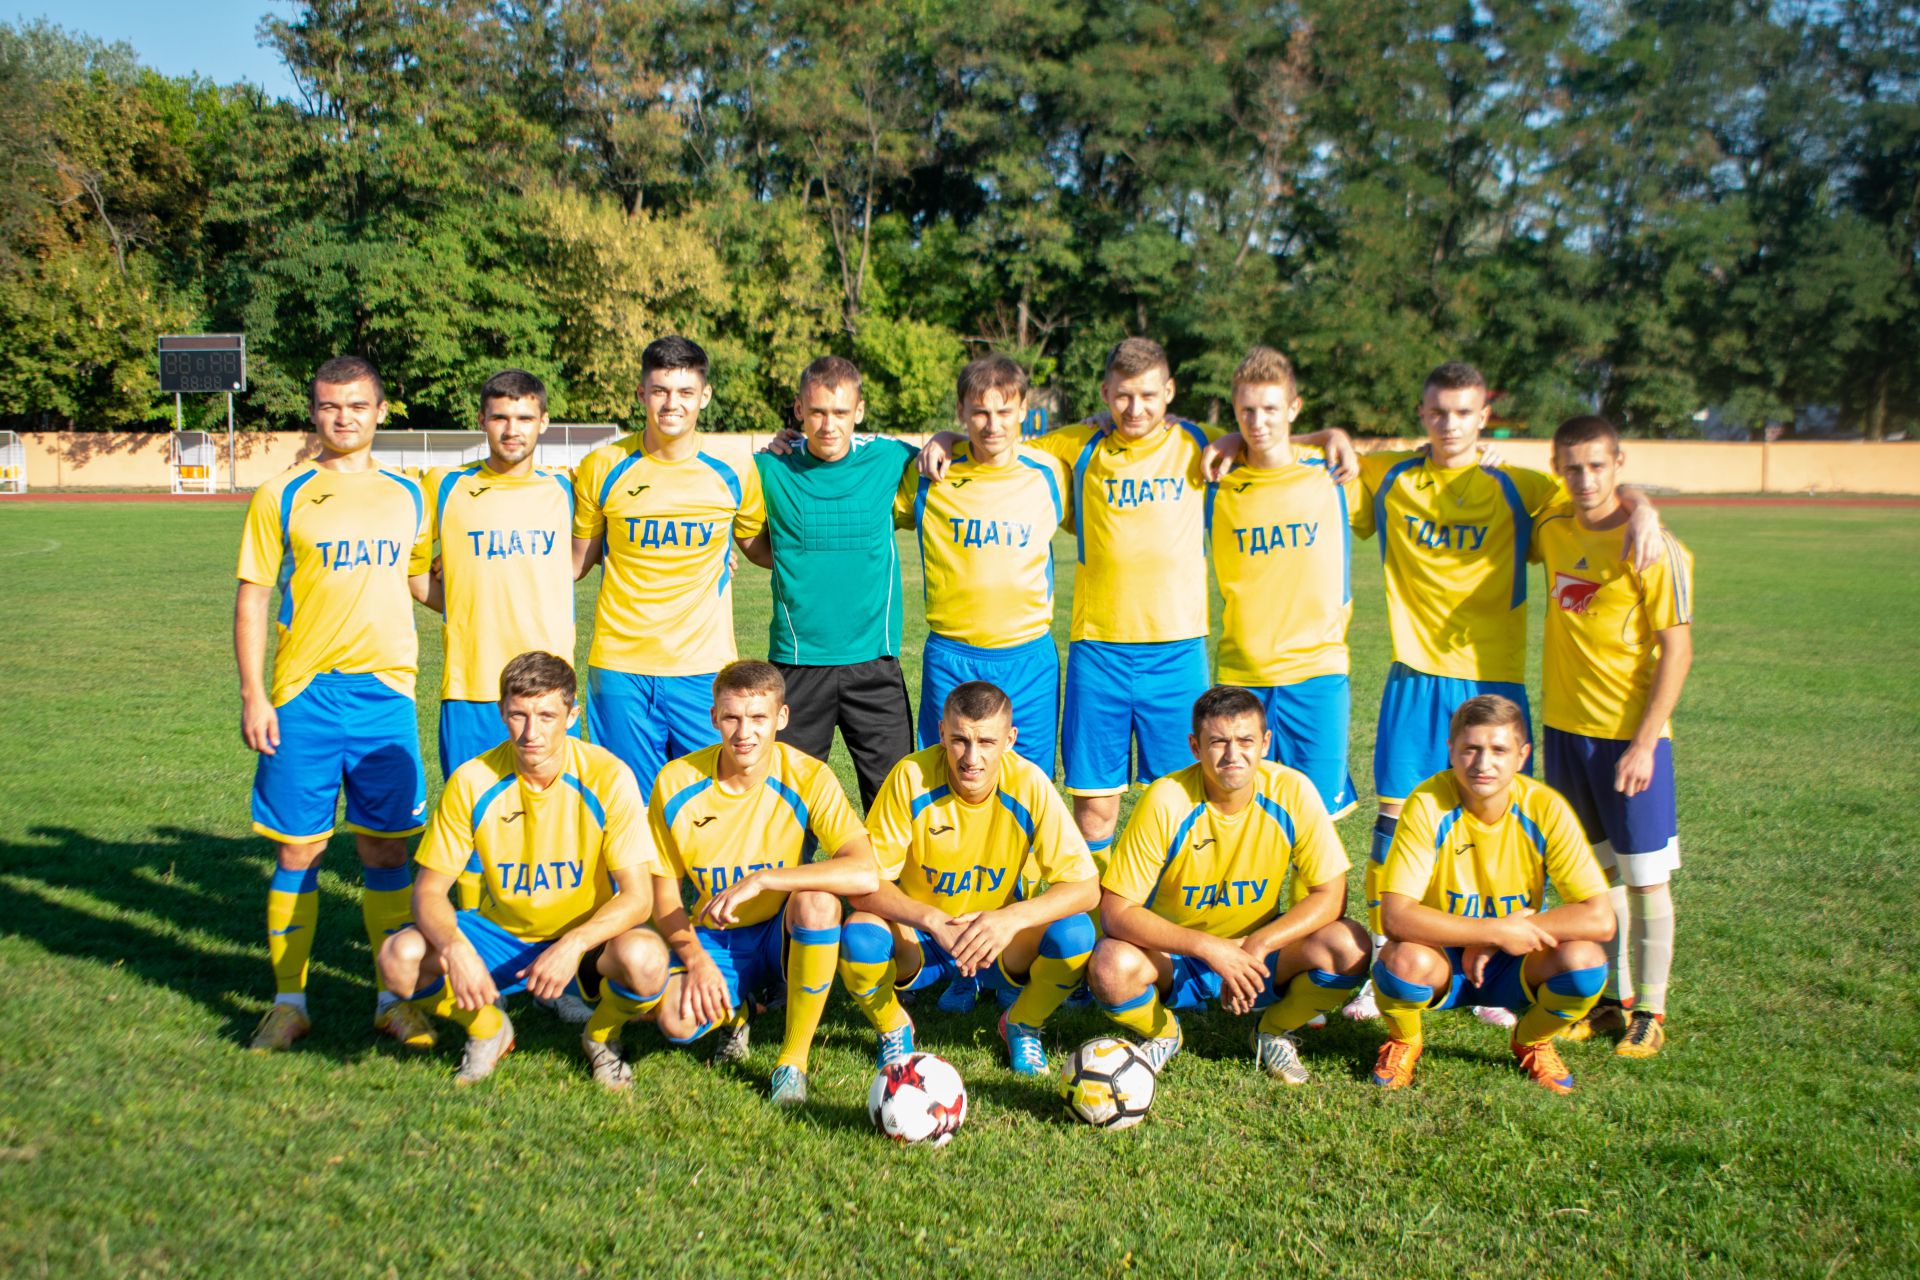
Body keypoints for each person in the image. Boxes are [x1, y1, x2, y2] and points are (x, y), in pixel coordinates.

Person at [921, 339, 1356, 861]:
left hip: (1177, 654)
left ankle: (1175, 907)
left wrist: (1328, 435)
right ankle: (1095, 908)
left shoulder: (1199, 442)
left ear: (1169, 391)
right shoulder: (1076, 446)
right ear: (1105, 393)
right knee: (1093, 806)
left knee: (1188, 801)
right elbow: (999, 436)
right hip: (1098, 652)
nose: (1135, 408)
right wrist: (945, 437)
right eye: (1123, 396)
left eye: (1148, 395)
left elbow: (1267, 434)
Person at [1340, 361, 1662, 1027]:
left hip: (1494, 678)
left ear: (1483, 416)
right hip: (1415, 674)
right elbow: (1309, 455)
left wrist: (1642, 506)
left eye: (1463, 412)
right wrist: (1327, 434)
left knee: (1504, 824)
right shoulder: (1389, 476)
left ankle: (1502, 965)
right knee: (1393, 822)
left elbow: (1593, 490)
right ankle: (1384, 960)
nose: (1449, 424)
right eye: (1437, 411)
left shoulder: (1520, 486)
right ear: (1422, 414)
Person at [235, 355, 436, 1053]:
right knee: (301, 848)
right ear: (314, 412)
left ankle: (394, 1001)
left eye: (356, 405)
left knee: (386, 846)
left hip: (385, 694)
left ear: (381, 411)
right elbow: (253, 596)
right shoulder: (281, 494)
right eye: (329, 405)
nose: (342, 417)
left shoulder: (412, 495)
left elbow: (421, 582)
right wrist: (254, 693)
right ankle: (288, 1003)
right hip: (303, 695)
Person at [375, 652, 671, 1088]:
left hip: (586, 939)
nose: (531, 732)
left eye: (547, 716)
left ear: (572, 716)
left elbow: (638, 897)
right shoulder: (473, 780)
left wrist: (573, 944)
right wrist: (455, 949)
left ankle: (600, 1038)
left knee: (646, 960)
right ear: (502, 712)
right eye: (519, 715)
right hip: (503, 936)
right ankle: (488, 1028)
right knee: (398, 958)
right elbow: (428, 892)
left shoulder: (608, 775)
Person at [1087, 686, 1372, 1084]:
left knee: (1349, 945)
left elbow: (1332, 895)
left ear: (1266, 743)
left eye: (1245, 741)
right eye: (1218, 742)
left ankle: (1273, 1030)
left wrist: (1259, 943)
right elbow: (1116, 912)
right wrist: (1209, 947)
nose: (1233, 755)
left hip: (1259, 955)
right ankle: (1163, 1033)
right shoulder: (1167, 799)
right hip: (1178, 955)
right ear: (1195, 746)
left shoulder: (1292, 791)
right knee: (1109, 966)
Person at [647, 660, 879, 1106]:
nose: (744, 733)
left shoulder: (807, 775)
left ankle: (792, 1061)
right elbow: (663, 899)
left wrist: (764, 880)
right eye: (731, 717)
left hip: (781, 931)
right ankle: (737, 1012)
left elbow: (864, 870)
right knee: (675, 1021)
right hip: (719, 935)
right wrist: (695, 960)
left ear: (782, 717)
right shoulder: (675, 783)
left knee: (818, 902)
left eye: (758, 717)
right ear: (714, 717)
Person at [840, 681, 1099, 1077]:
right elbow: (863, 885)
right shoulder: (911, 776)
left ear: (1010, 739)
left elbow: (1086, 888)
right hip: (923, 935)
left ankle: (1022, 1023)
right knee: (860, 935)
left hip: (997, 938)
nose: (971, 758)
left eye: (986, 742)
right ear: (941, 732)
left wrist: (1009, 919)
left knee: (1076, 933)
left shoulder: (1029, 784)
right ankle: (893, 1027)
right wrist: (931, 919)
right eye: (959, 740)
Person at [1536, 415, 1694, 1057]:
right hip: (1563, 733)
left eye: (1598, 466)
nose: (1585, 479)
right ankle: (1609, 1002)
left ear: (1618, 463)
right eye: (1572, 467)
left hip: (1629, 740)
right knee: (1594, 879)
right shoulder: (1552, 526)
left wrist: (1645, 743)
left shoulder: (1656, 548)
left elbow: (1678, 651)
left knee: (1646, 877)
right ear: (1557, 468)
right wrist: (1639, 500)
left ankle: (1651, 1010)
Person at [1368, 695, 1614, 1094]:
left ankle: (1532, 1040)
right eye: (1471, 749)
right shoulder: (1428, 804)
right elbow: (1395, 917)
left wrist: (1499, 938)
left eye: (1499, 750)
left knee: (1585, 961)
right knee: (1401, 962)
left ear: (1522, 755)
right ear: (1451, 750)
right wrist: (1493, 931)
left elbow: (1600, 918)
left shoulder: (1545, 808)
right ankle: (1405, 1040)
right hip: (1442, 956)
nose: (1483, 764)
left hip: (1517, 957)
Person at [571, 336, 767, 798]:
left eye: (684, 392)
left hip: (704, 668)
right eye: (659, 390)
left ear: (705, 395)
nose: (671, 403)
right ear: (642, 393)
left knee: (709, 802)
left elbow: (762, 549)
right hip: (620, 668)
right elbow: (575, 563)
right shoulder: (602, 466)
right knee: (630, 807)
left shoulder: (735, 469)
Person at [750, 357, 921, 809]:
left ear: (858, 411)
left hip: (874, 663)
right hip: (797, 663)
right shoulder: (768, 469)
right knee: (788, 806)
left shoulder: (889, 459)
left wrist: (942, 438)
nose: (829, 425)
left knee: (893, 805)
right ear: (799, 410)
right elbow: (734, 526)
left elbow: (955, 449)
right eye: (818, 412)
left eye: (840, 412)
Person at [1206, 346, 1361, 820]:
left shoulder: (1334, 473)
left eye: (1271, 409)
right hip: (1242, 675)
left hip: (1317, 672)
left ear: (1294, 408)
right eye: (1247, 410)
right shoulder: (1215, 479)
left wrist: (1332, 434)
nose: (1258, 422)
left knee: (1317, 821)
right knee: (1246, 819)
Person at [896, 355, 1069, 775]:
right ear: (961, 411)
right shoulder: (928, 474)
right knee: (946, 777)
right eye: (980, 412)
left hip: (1028, 657)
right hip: (952, 655)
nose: (993, 425)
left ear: (1024, 410)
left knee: (1029, 782)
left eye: (1004, 412)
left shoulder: (1050, 472)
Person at [422, 370, 576, 781]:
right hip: (472, 684)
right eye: (500, 418)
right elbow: (409, 571)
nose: (512, 430)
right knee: (472, 807)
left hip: (549, 686)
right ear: (481, 420)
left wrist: (719, 555)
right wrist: (459, 596)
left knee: (552, 810)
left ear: (544, 422)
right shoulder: (443, 486)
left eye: (524, 418)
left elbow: (627, 541)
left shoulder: (568, 489)